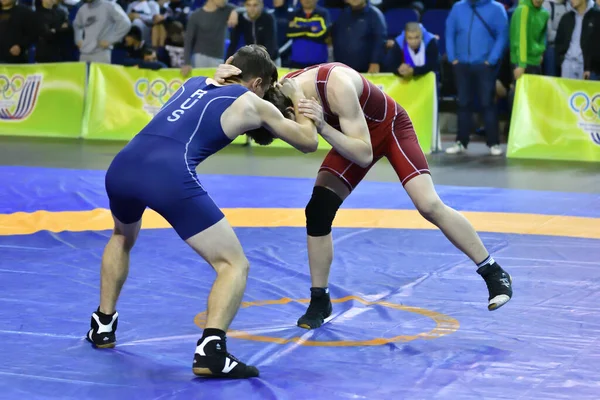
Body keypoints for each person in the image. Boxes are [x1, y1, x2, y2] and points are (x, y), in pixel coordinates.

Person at [214, 60, 514, 330]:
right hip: (353, 135)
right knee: (318, 210)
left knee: (429, 205)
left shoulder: (335, 85)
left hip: (389, 130)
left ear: (291, 111)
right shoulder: (287, 92)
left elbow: (364, 153)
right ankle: (320, 300)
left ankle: (493, 271)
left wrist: (321, 127)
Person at [85, 45, 323, 379]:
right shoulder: (252, 101)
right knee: (233, 264)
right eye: (268, 89)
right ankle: (211, 351)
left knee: (122, 236)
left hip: (122, 166)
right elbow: (307, 141)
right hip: (168, 174)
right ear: (257, 83)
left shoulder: (193, 83)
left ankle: (102, 325)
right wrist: (297, 96)